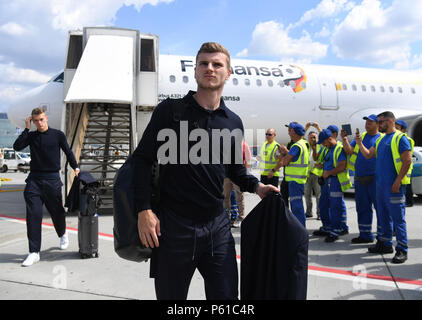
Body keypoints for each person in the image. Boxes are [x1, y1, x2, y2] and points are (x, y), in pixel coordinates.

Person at [132, 42, 279, 300]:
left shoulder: (232, 121)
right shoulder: (171, 111)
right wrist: (144, 210)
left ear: (228, 73)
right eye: (204, 63)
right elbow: (142, 161)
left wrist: (257, 187)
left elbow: (235, 169)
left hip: (217, 228)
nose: (210, 68)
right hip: (173, 228)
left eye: (217, 64)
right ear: (196, 70)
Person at [13, 107, 80, 267]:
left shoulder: (58, 135)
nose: (39, 123)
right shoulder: (32, 136)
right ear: (33, 121)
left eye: (41, 119)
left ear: (46, 118)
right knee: (33, 215)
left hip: (52, 179)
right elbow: (17, 146)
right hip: (34, 180)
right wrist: (27, 128)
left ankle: (63, 233)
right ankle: (34, 252)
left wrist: (75, 167)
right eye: (36, 121)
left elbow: (68, 152)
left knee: (56, 212)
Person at [356, 111, 412, 263]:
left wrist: (398, 181)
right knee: (383, 216)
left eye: (381, 122)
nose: (379, 125)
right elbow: (368, 155)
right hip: (380, 186)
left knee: (398, 219)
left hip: (393, 186)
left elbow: (407, 161)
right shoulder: (380, 140)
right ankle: (385, 243)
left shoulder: (400, 138)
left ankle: (402, 249)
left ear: (391, 121)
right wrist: (360, 143)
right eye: (379, 122)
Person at [341, 114, 381, 244]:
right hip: (360, 177)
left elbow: (369, 154)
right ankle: (365, 235)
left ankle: (382, 236)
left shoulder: (380, 138)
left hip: (375, 178)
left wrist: (359, 143)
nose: (367, 124)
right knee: (362, 207)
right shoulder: (362, 137)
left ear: (377, 124)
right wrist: (345, 139)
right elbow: (349, 150)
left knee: (380, 208)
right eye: (366, 122)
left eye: (370, 122)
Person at [314, 129, 351, 242]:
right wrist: (321, 166)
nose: (323, 145)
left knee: (336, 206)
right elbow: (323, 160)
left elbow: (342, 166)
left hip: (335, 181)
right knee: (323, 204)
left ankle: (336, 230)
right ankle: (327, 227)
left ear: (330, 139)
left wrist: (328, 173)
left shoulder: (339, 149)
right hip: (326, 182)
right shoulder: (327, 149)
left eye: (323, 142)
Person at [274, 122, 309, 227]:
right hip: (299, 180)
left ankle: (299, 229)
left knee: (296, 207)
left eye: (290, 130)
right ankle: (299, 228)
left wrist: (284, 152)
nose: (289, 133)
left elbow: (285, 162)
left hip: (295, 181)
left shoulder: (296, 146)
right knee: (297, 206)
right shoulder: (303, 143)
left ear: (294, 132)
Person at [223, 140, 252, 227]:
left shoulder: (244, 145)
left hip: (238, 175)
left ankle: (241, 217)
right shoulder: (225, 143)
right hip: (226, 175)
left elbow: (248, 161)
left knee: (239, 196)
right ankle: (226, 217)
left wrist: (245, 174)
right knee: (225, 197)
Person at [395, 120, 415, 207]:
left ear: (403, 130)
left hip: (406, 167)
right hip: (401, 166)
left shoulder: (406, 139)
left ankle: (409, 202)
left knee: (407, 185)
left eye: (397, 127)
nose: (395, 129)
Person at [304, 131, 321, 219]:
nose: (313, 139)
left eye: (314, 137)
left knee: (318, 195)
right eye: (311, 137)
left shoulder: (320, 147)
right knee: (307, 194)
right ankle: (309, 212)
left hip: (317, 174)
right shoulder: (306, 147)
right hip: (307, 174)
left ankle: (319, 213)